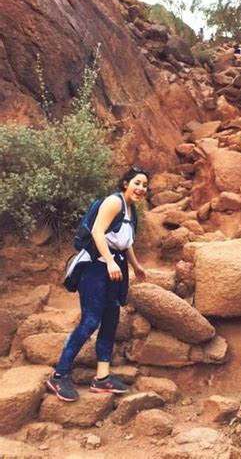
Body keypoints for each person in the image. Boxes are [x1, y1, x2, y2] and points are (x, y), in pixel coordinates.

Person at [46, 167, 149, 402]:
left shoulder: (132, 210)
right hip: (95, 267)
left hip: (114, 267)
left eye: (144, 185)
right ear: (125, 183)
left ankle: (102, 378)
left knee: (111, 317)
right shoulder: (114, 202)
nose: (141, 188)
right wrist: (111, 262)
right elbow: (97, 232)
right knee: (91, 319)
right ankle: (59, 375)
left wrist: (136, 266)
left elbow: (126, 242)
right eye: (137, 183)